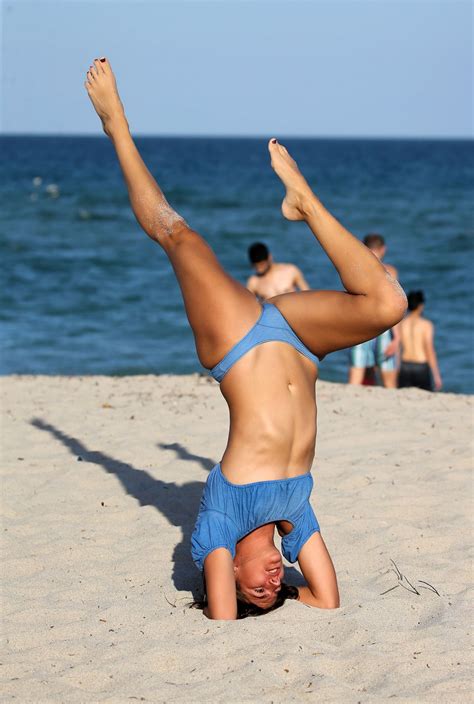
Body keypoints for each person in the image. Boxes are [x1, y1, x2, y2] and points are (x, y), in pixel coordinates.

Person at [85, 57, 407, 620]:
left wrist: (227, 600)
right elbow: (328, 600)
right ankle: (305, 205)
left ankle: (118, 127)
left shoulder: (218, 528)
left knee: (178, 236)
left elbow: (221, 618)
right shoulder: (293, 521)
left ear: (229, 570)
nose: (270, 587)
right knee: (389, 303)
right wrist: (291, 592)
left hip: (235, 344)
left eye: (253, 590)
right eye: (273, 594)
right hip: (301, 344)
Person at [348, 234, 400, 388]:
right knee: (389, 382)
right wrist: (397, 338)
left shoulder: (354, 270)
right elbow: (395, 304)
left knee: (355, 380)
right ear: (383, 249)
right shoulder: (390, 271)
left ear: (364, 248)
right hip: (382, 326)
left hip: (361, 324)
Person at [398, 291, 442, 391]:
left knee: (405, 397)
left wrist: (397, 367)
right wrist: (436, 375)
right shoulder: (426, 325)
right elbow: (429, 349)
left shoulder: (401, 324)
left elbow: (397, 347)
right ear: (421, 306)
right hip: (421, 367)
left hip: (405, 365)